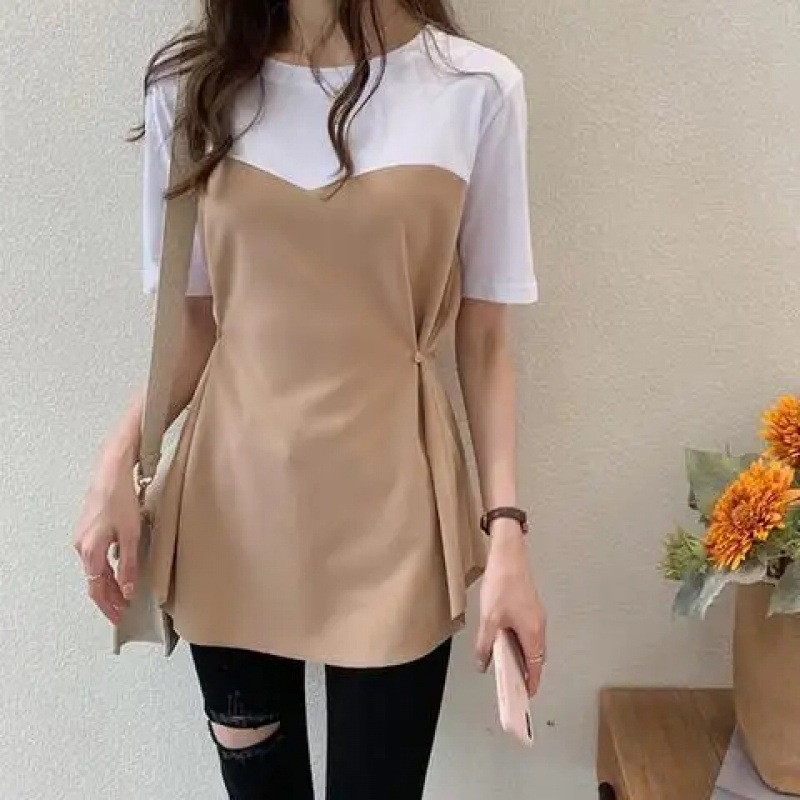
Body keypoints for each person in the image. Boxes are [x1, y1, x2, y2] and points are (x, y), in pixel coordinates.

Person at [73, 0, 547, 796]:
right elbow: (194, 326)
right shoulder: (190, 89)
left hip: (396, 511)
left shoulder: (476, 88)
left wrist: (506, 534)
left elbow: (486, 340)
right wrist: (117, 463)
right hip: (235, 508)